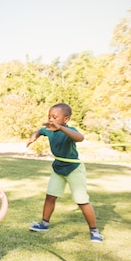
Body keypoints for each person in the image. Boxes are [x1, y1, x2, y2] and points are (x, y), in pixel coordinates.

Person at [26, 103, 104, 243]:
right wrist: (34, 137)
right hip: (58, 167)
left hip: (74, 169)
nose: (51, 119)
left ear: (66, 119)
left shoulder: (69, 130)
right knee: (50, 196)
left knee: (82, 201)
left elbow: (80, 138)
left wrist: (61, 128)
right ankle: (44, 224)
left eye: (55, 117)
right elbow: (40, 131)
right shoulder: (49, 130)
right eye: (49, 117)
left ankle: (94, 231)